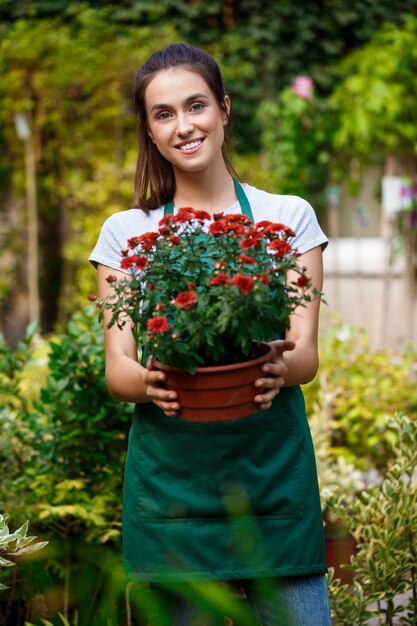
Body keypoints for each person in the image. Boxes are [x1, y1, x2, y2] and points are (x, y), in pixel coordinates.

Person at [89, 43, 332, 626]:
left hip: (271, 478)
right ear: (149, 131)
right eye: (163, 114)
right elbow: (117, 367)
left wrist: (280, 365)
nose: (183, 126)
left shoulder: (288, 217)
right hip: (176, 489)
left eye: (195, 105)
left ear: (223, 109)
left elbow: (306, 355)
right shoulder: (127, 232)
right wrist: (149, 382)